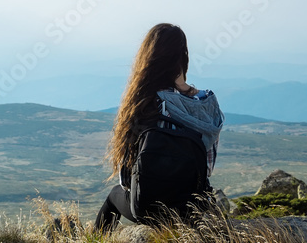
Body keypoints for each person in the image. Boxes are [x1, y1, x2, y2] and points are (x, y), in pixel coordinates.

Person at [94, 23, 224, 232]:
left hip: (146, 208)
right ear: (184, 56)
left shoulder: (143, 102)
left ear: (149, 57)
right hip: (191, 208)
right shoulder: (207, 103)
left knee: (114, 195)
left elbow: (126, 177)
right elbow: (207, 167)